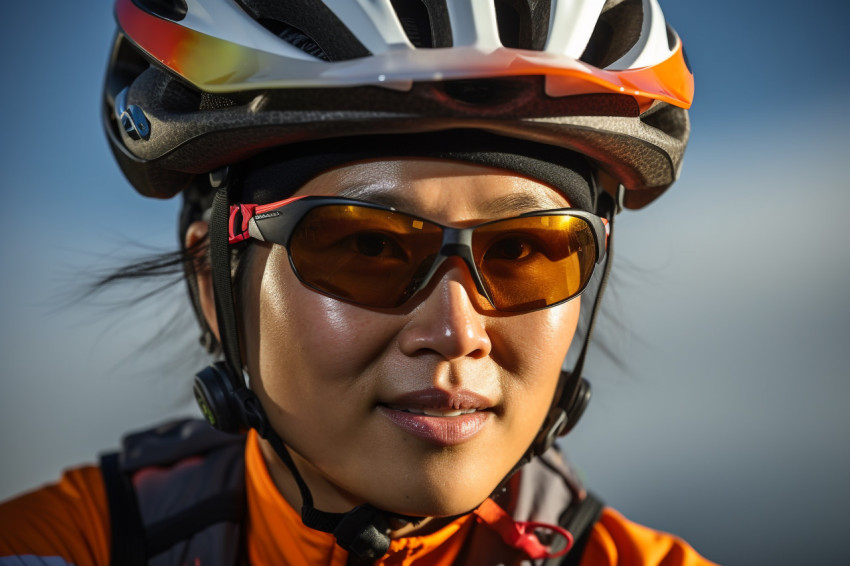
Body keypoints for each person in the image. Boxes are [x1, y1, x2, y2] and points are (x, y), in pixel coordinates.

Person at [0, 0, 714, 564]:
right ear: (214, 284)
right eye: (367, 246)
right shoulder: (59, 546)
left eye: (526, 252)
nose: (455, 332)